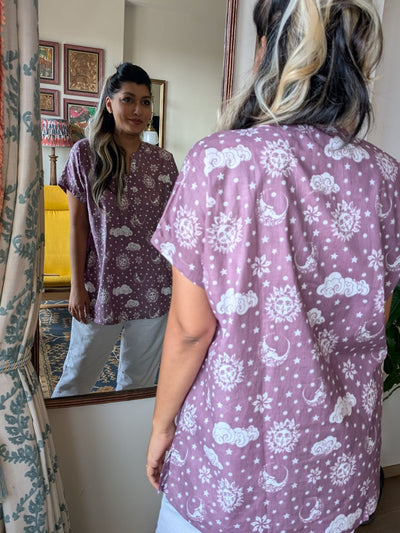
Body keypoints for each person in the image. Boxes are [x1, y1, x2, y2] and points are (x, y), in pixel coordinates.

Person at [146, 1, 400, 531]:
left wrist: (162, 427)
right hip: (336, 462)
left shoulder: (218, 161)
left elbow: (191, 330)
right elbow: (374, 319)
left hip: (228, 468)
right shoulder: (383, 176)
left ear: (267, 51)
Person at [52, 63, 178, 397]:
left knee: (139, 384)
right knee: (77, 379)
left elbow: (174, 230)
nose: (138, 110)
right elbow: (77, 227)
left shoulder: (164, 162)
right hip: (100, 287)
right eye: (128, 100)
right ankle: (61, 432)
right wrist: (76, 287)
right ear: (109, 104)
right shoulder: (84, 154)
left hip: (154, 288)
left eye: (146, 102)